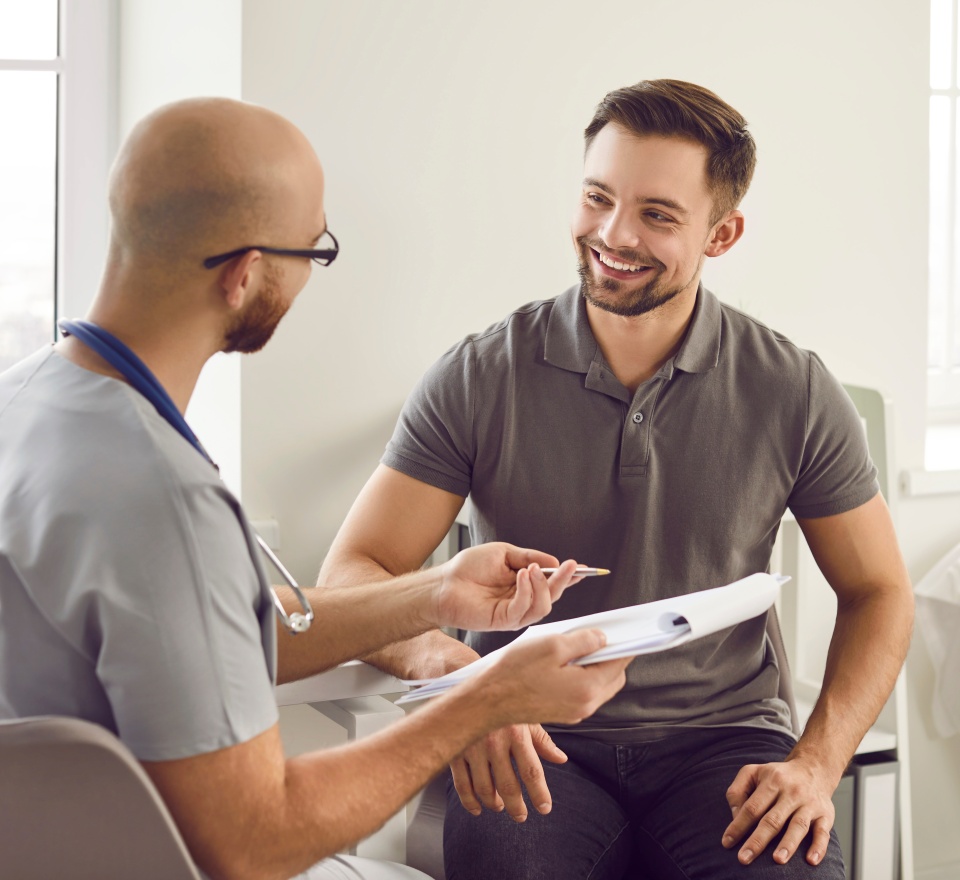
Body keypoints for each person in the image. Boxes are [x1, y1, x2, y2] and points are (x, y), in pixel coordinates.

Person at [0, 97, 633, 880]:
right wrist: (487, 699)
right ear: (244, 274)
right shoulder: (166, 502)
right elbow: (254, 841)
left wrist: (433, 594)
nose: (311, 272)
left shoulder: (27, 404)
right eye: (314, 249)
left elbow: (203, 639)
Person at [318, 79, 915, 878]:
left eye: (657, 215)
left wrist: (818, 762)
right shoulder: (478, 375)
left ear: (723, 234)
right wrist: (462, 680)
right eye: (598, 198)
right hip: (529, 731)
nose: (613, 234)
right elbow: (355, 574)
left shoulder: (794, 390)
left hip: (725, 745)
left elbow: (880, 590)